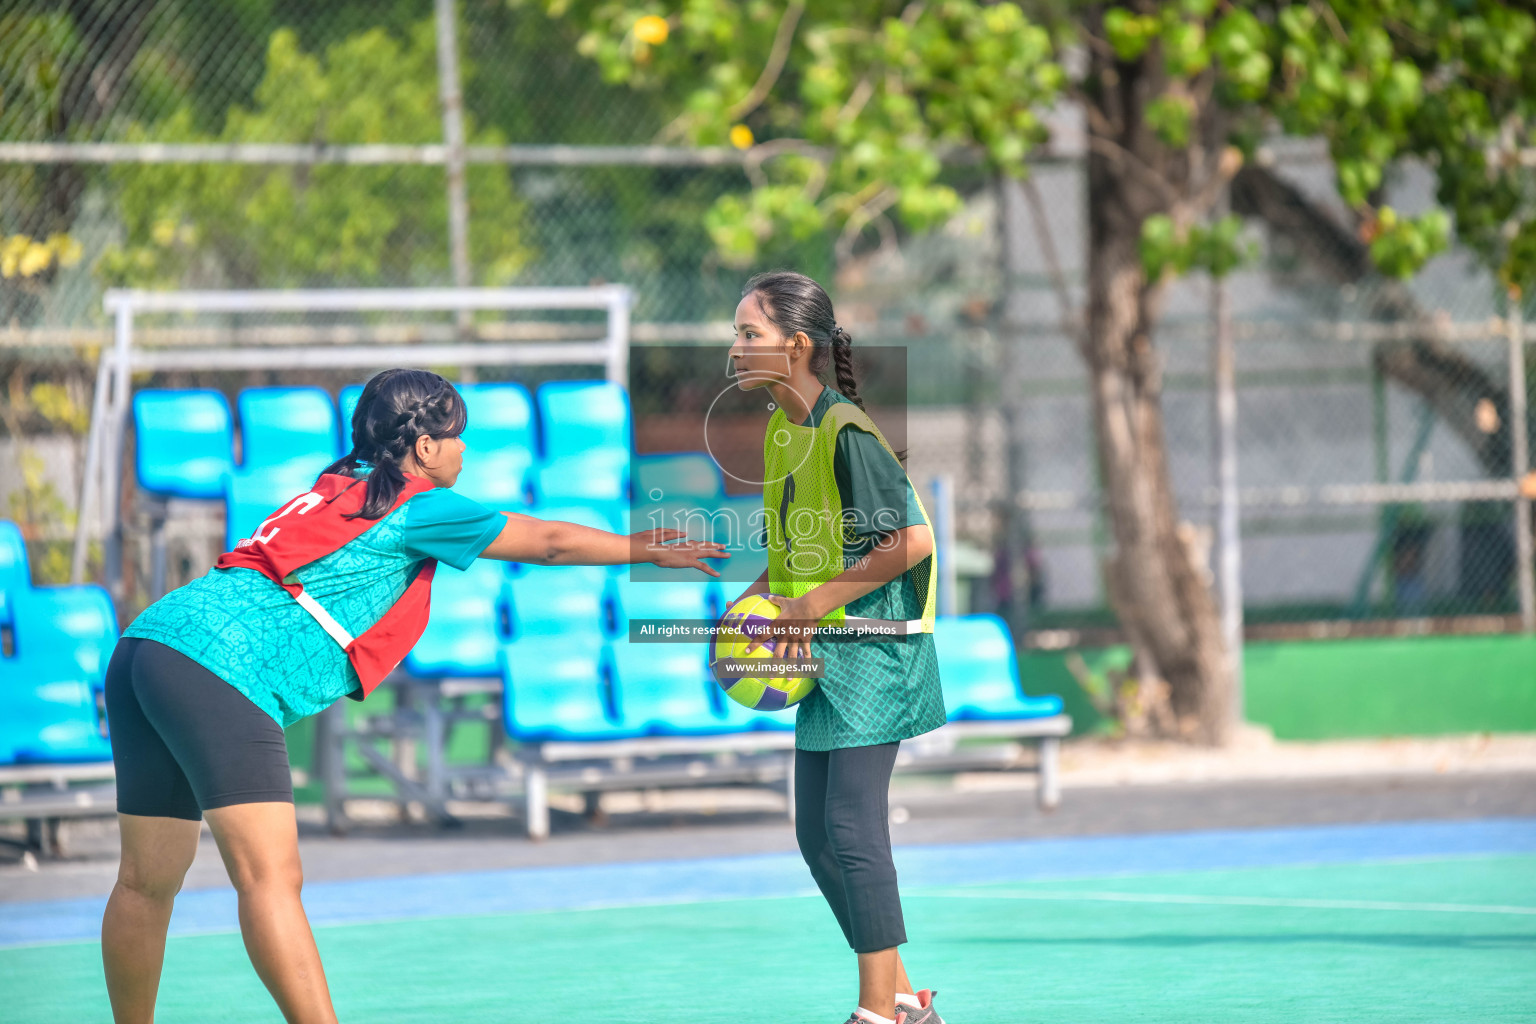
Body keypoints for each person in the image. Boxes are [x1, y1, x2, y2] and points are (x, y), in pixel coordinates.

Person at [100, 368, 725, 1024]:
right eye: (457, 437)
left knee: (146, 882)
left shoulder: (338, 484)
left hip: (148, 643)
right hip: (219, 669)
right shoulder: (419, 503)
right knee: (270, 881)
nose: (464, 450)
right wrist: (639, 549)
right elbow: (547, 542)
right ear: (424, 447)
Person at [726, 271, 947, 1024]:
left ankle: (875, 1014)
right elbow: (806, 544)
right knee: (815, 838)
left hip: (875, 650)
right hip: (826, 650)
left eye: (748, 334)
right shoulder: (785, 429)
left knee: (852, 828)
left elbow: (911, 541)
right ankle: (910, 1001)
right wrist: (755, 598)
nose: (735, 347)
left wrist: (813, 604)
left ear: (796, 346)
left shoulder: (847, 429)